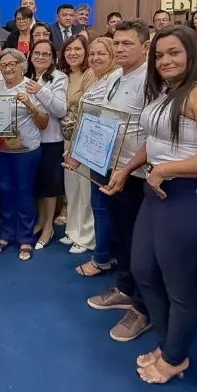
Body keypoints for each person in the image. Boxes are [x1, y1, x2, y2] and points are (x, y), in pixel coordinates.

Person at [122, 25, 197, 384]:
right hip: (157, 197)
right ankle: (168, 341)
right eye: (159, 55)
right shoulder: (167, 93)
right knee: (143, 271)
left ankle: (175, 357)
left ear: (192, 54)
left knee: (179, 287)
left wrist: (166, 170)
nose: (165, 60)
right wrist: (128, 169)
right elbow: (156, 142)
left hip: (192, 199)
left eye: (174, 53)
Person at [85, 19, 153, 342]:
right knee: (122, 239)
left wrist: (126, 170)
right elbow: (100, 118)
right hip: (110, 168)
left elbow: (156, 137)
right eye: (118, 43)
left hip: (136, 175)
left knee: (138, 243)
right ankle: (125, 289)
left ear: (145, 46)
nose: (121, 49)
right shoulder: (114, 76)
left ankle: (143, 309)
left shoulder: (150, 82)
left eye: (128, 43)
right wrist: (82, 153)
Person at [0, 48, 49, 261]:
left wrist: (30, 105)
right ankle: (6, 234)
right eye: (3, 65)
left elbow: (44, 123)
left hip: (26, 151)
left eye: (12, 64)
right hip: (0, 149)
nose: (7, 69)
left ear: (21, 65)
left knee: (24, 192)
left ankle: (25, 237)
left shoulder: (31, 87)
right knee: (5, 191)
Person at [75, 37, 118, 276]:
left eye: (101, 53)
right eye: (92, 54)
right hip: (95, 153)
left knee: (103, 208)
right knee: (100, 207)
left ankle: (103, 258)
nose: (95, 58)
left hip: (108, 156)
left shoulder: (115, 79)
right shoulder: (96, 79)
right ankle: (105, 254)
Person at [25, 38, 67, 249]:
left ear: (52, 59)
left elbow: (60, 110)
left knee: (50, 187)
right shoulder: (25, 76)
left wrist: (39, 90)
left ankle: (49, 226)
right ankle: (41, 221)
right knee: (38, 186)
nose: (41, 57)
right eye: (37, 53)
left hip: (51, 140)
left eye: (46, 54)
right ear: (30, 56)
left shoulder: (59, 78)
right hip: (28, 142)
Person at [59, 35, 96, 253]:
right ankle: (72, 230)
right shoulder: (65, 76)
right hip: (66, 139)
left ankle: (86, 237)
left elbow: (89, 111)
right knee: (71, 188)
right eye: (68, 49)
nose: (73, 53)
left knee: (85, 189)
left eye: (78, 49)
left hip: (84, 139)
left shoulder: (89, 75)